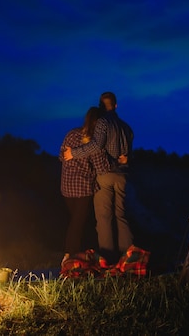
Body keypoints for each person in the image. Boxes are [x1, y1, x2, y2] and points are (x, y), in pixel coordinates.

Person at [64, 91, 134, 263]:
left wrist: (74, 153)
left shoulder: (103, 122)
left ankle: (109, 259)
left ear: (101, 106)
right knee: (121, 216)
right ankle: (128, 258)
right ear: (116, 105)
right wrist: (127, 159)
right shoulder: (126, 127)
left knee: (104, 218)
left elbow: (96, 146)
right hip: (122, 175)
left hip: (105, 174)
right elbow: (127, 154)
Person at [59, 106, 110, 265]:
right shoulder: (94, 143)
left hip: (66, 187)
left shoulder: (71, 134)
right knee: (78, 223)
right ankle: (69, 257)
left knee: (77, 221)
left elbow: (62, 156)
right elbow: (102, 168)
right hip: (83, 188)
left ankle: (78, 257)